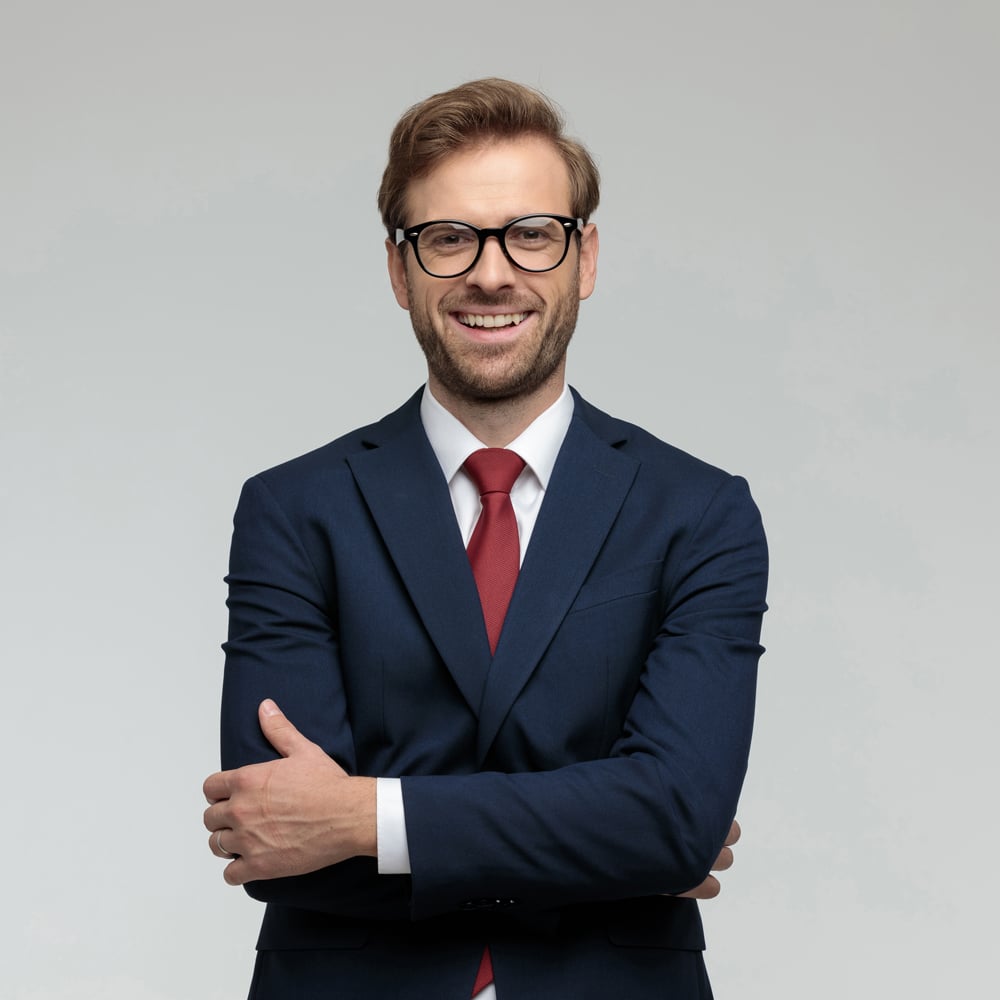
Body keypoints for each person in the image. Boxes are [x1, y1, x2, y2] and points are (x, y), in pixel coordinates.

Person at [203, 77, 768, 999]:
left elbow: (676, 817)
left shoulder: (699, 513)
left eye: (531, 234)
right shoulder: (293, 509)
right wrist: (612, 848)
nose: (492, 273)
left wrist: (367, 814)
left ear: (584, 259)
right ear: (399, 271)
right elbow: (279, 842)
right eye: (448, 238)